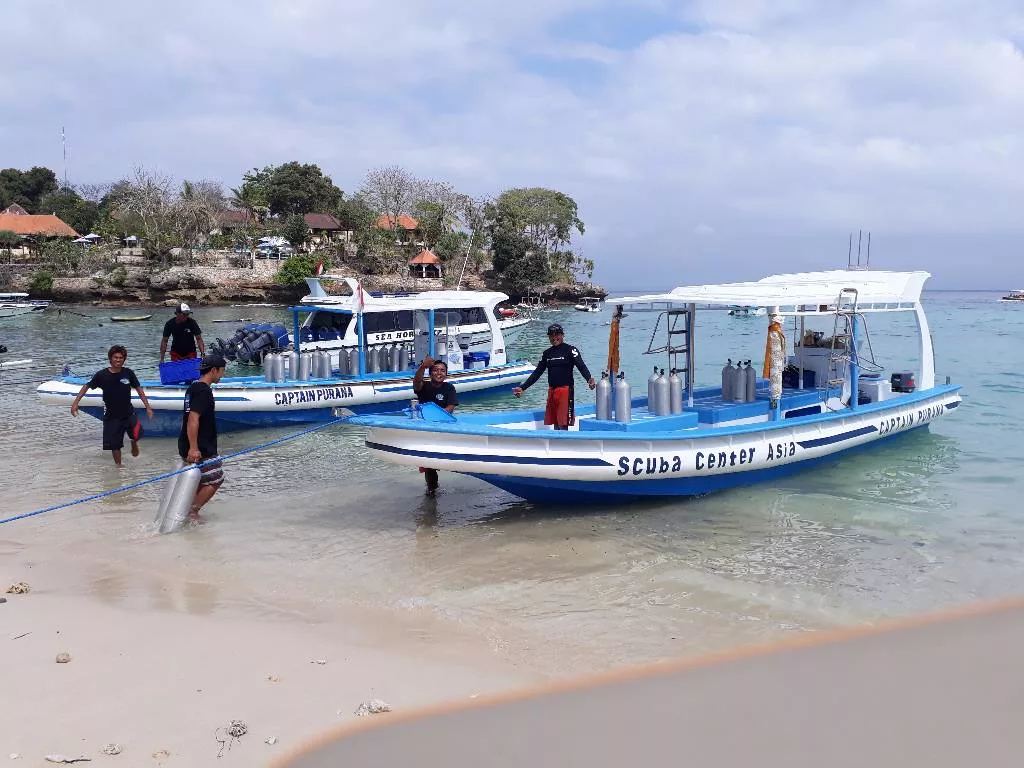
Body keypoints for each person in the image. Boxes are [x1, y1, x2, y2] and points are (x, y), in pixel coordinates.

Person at [70, 345, 154, 467]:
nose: (118, 360)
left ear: (124, 359)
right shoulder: (101, 375)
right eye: (115, 357)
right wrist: (75, 403)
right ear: (110, 358)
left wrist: (148, 407)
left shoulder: (128, 373)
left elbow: (139, 390)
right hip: (111, 416)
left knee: (136, 435)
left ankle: (133, 442)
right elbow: (86, 386)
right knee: (115, 445)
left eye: (121, 358)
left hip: (128, 413)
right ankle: (119, 467)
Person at [513, 323, 596, 430]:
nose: (554, 337)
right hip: (552, 391)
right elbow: (537, 373)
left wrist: (589, 379)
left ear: (563, 335)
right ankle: (557, 443)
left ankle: (564, 444)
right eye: (551, 335)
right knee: (555, 422)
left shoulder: (571, 350)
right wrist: (523, 387)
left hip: (565, 390)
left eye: (557, 334)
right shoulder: (547, 353)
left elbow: (581, 365)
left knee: (563, 422)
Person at [178, 353, 227, 522]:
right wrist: (194, 447)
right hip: (200, 446)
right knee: (216, 479)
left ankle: (185, 511)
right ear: (213, 370)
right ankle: (192, 512)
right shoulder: (203, 391)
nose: (222, 375)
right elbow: (193, 418)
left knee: (199, 480)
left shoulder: (192, 387)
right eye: (221, 371)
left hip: (188, 443)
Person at [412, 355, 458, 494]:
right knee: (429, 464)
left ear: (446, 373)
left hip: (443, 428)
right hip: (426, 429)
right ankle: (432, 490)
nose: (439, 373)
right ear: (430, 372)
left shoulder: (449, 388)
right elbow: (416, 384)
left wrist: (434, 416)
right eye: (436, 370)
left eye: (442, 370)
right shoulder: (424, 386)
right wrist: (422, 367)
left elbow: (450, 408)